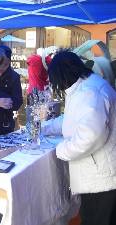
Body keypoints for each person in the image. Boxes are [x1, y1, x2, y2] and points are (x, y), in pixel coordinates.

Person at [42, 50, 116, 225]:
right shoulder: (84, 86)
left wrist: (59, 150)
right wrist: (44, 127)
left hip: (101, 178)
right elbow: (73, 119)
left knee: (96, 219)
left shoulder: (89, 92)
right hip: (100, 173)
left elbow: (90, 137)